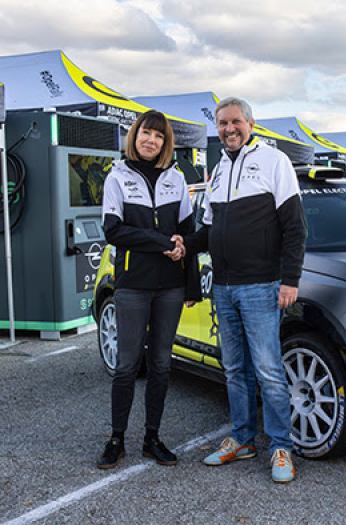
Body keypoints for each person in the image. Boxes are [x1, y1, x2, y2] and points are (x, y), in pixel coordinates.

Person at [186, 97, 307, 483]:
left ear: (251, 125)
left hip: (261, 285)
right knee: (235, 368)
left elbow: (294, 226)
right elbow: (209, 228)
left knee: (269, 371)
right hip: (224, 286)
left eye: (235, 121)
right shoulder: (219, 169)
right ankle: (241, 439)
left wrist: (290, 279)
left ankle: (281, 447)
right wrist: (183, 245)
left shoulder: (274, 161)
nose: (229, 128)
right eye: (222, 123)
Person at [97, 110, 194, 469]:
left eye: (158, 135)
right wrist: (160, 242)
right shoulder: (117, 176)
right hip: (133, 285)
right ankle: (116, 439)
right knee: (126, 366)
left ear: (165, 142)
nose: (151, 140)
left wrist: (189, 278)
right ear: (134, 136)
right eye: (145, 133)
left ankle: (152, 438)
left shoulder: (177, 178)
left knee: (162, 365)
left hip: (170, 286)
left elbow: (187, 232)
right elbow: (113, 230)